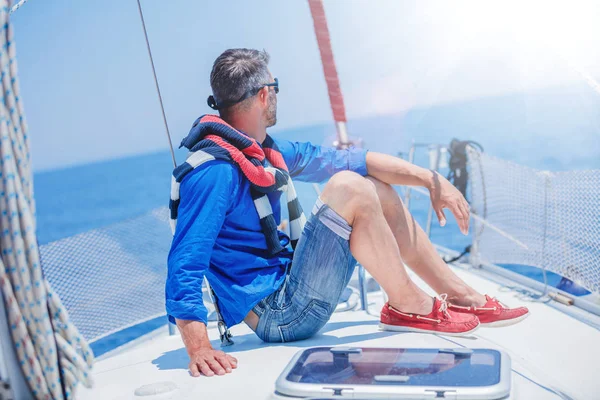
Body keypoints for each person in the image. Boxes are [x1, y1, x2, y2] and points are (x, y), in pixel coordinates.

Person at [166, 48, 529, 378]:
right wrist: (198, 346)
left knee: (373, 185)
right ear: (264, 94)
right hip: (279, 315)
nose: (276, 94)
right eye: (275, 87)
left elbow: (352, 160)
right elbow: (186, 260)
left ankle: (459, 294)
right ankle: (409, 305)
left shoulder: (262, 150)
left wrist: (431, 180)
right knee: (350, 187)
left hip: (295, 288)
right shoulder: (215, 172)